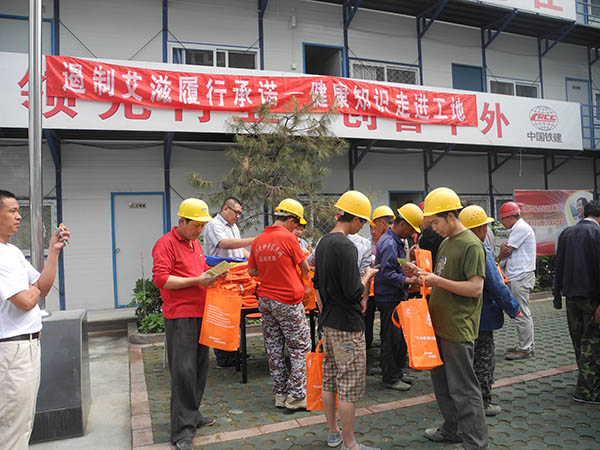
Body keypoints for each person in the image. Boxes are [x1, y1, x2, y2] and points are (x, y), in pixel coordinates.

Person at [404, 187, 488, 450]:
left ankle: (476, 443)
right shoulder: (446, 242)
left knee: (464, 389)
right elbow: (440, 278)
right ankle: (452, 429)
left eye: (436, 222)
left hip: (457, 328)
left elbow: (475, 288)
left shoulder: (471, 245)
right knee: (442, 385)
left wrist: (437, 281)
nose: (434, 229)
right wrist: (421, 275)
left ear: (451, 216)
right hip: (438, 325)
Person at [0, 190, 70, 450]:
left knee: (23, 421)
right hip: (12, 348)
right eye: (12, 211)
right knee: (12, 425)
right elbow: (25, 302)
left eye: (18, 211)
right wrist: (32, 291)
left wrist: (54, 251)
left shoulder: (13, 251)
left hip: (26, 345)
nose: (19, 216)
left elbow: (42, 286)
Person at [152, 198, 222, 450]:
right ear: (181, 221)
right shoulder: (165, 244)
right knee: (184, 372)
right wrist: (197, 281)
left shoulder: (195, 244)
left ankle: (192, 415)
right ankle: (181, 432)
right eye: (195, 225)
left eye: (202, 226)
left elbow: (200, 270)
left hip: (201, 312)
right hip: (181, 316)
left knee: (200, 368)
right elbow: (161, 279)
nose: (199, 231)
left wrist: (214, 275)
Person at [313, 190, 380, 450]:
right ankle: (350, 444)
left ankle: (334, 432)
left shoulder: (322, 243)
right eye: (361, 221)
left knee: (329, 380)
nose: (360, 227)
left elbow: (317, 285)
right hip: (348, 327)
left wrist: (323, 314)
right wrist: (368, 275)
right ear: (355, 219)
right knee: (348, 385)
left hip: (328, 322)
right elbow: (354, 292)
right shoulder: (347, 246)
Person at [248, 198, 311, 410]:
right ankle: (297, 395)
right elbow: (305, 268)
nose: (297, 228)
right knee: (300, 347)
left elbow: (252, 271)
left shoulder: (258, 240)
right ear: (291, 220)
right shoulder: (289, 239)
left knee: (274, 347)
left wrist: (271, 270)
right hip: (288, 300)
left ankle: (280, 393)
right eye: (297, 223)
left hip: (266, 300)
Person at [459, 205, 521, 416]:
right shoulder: (480, 250)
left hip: (462, 316)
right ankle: (482, 402)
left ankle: (464, 399)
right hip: (482, 314)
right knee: (483, 359)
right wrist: (513, 308)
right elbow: (496, 285)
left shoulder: (455, 247)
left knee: (466, 360)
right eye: (485, 226)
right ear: (480, 229)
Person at [554, 199, 600, 405]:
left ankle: (585, 381)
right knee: (592, 342)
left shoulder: (567, 233)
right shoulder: (597, 233)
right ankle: (588, 391)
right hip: (592, 298)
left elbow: (559, 265)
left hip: (571, 297)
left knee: (578, 341)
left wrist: (557, 296)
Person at [374, 203, 423, 392]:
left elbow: (395, 267)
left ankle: (397, 372)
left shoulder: (395, 241)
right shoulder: (389, 243)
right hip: (389, 298)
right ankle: (390, 377)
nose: (412, 233)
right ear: (402, 224)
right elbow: (386, 274)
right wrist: (409, 280)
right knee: (390, 338)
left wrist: (406, 268)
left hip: (395, 295)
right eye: (411, 229)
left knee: (398, 338)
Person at [202, 197, 255, 368]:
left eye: (240, 213)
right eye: (236, 212)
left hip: (236, 275)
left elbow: (240, 250)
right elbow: (224, 244)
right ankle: (223, 358)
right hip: (220, 274)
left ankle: (233, 352)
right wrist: (254, 240)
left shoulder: (233, 227)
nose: (238, 216)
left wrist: (254, 260)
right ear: (225, 208)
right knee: (222, 314)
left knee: (233, 314)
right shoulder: (214, 225)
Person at [498, 201, 536, 361]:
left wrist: (499, 256)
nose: (502, 222)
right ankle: (526, 345)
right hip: (519, 275)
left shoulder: (520, 228)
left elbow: (506, 252)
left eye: (503, 219)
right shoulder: (519, 228)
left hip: (520, 276)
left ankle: (525, 349)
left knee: (521, 313)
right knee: (522, 312)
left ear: (510, 217)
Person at [365, 206, 395, 348]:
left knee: (387, 323)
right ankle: (368, 342)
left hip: (384, 287)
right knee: (368, 316)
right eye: (371, 228)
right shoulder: (367, 243)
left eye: (374, 227)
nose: (373, 231)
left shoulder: (391, 241)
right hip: (371, 288)